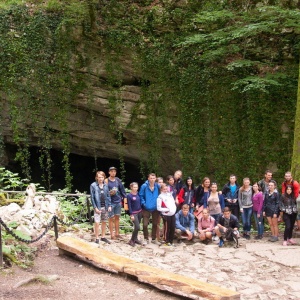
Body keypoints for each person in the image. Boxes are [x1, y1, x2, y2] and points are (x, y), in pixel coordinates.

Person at [139, 173, 161, 245]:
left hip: (155, 208)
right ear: (148, 178)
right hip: (146, 208)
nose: (152, 180)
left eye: (153, 178)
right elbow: (141, 195)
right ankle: (146, 238)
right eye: (151, 178)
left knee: (155, 224)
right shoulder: (144, 186)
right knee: (145, 224)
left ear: (155, 179)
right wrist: (144, 204)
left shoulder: (157, 186)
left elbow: (160, 195)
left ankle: (154, 238)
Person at [90, 171, 112, 244]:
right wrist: (95, 207)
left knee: (104, 221)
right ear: (96, 178)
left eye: (102, 177)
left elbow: (108, 196)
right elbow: (92, 197)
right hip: (98, 207)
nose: (101, 179)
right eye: (99, 177)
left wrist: (109, 205)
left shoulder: (106, 185)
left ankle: (103, 236)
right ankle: (97, 238)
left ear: (104, 177)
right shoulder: (93, 185)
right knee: (97, 222)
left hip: (105, 206)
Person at [105, 167, 127, 240]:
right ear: (109, 172)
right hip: (110, 202)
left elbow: (122, 190)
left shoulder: (118, 180)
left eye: (114, 171)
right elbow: (104, 192)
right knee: (110, 218)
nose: (113, 173)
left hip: (118, 201)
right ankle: (112, 234)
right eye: (112, 171)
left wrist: (125, 198)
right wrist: (110, 193)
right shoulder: (106, 181)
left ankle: (117, 233)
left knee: (117, 217)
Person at [127, 182, 143, 247]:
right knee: (137, 227)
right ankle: (131, 240)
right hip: (134, 213)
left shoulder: (138, 194)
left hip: (139, 212)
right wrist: (131, 214)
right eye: (134, 187)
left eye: (136, 187)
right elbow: (129, 206)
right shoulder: (129, 195)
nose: (135, 188)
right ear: (131, 187)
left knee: (137, 227)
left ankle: (135, 238)